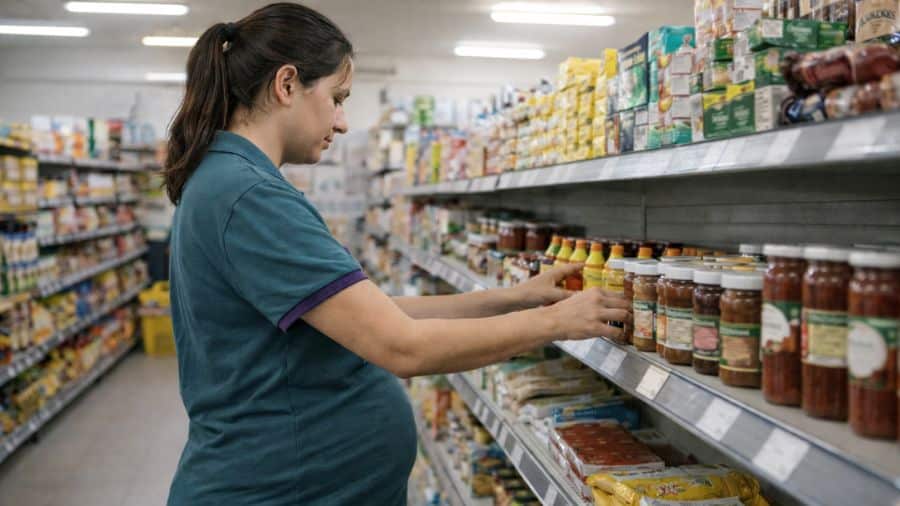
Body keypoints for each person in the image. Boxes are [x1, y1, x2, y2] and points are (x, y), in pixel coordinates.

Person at [163, 3, 630, 505]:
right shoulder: (249, 195)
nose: (342, 122)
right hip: (280, 487)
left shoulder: (230, 180)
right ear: (287, 85)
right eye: (337, 98)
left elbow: (376, 314)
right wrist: (556, 323)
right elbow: (401, 347)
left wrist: (516, 298)